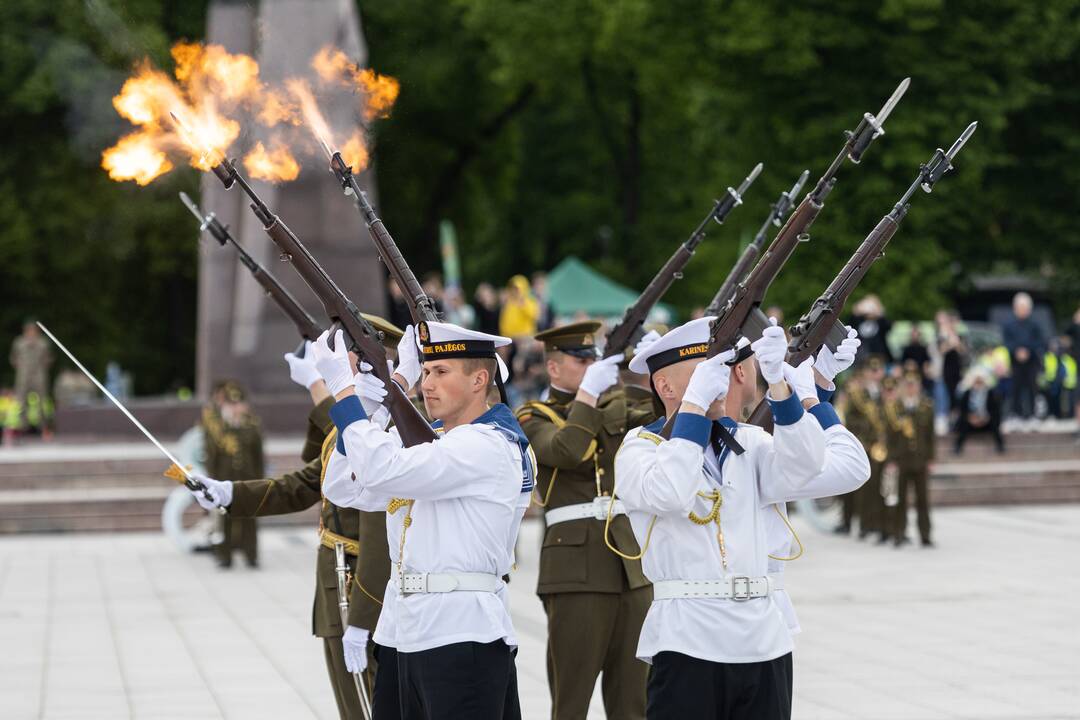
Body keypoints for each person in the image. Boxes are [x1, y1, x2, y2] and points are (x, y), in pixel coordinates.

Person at [613, 317, 868, 719]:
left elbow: (816, 466)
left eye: (725, 369)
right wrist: (694, 408)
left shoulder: (750, 442)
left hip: (762, 639)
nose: (725, 380)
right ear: (666, 387)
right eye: (705, 372)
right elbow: (672, 491)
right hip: (688, 638)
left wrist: (791, 392)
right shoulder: (640, 449)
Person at [314, 320, 533, 718]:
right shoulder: (435, 440)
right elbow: (343, 487)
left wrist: (346, 391)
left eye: (441, 372)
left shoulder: (489, 443)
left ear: (479, 380)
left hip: (461, 630)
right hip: (404, 627)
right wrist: (369, 402)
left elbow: (381, 468)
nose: (427, 384)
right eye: (425, 372)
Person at [191, 315, 402, 720]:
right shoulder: (353, 427)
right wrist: (229, 493)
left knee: (369, 704)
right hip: (338, 580)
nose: (332, 362)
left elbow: (379, 529)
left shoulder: (388, 429)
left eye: (342, 355)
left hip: (360, 584)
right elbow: (304, 482)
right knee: (353, 702)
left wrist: (360, 618)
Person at [516, 322, 656, 719]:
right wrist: (590, 394)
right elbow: (568, 450)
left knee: (635, 701)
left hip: (629, 566)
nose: (590, 365)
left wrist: (655, 370)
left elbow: (666, 422)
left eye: (593, 359)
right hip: (574, 571)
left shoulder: (617, 403)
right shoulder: (532, 415)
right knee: (572, 700)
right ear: (555, 368)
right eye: (581, 361)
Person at [201, 380, 264, 568]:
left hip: (248, 478)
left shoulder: (252, 426)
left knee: (249, 518)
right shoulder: (218, 428)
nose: (236, 408)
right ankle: (224, 555)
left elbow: (258, 456)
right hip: (223, 478)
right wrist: (211, 481)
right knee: (224, 518)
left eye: (239, 404)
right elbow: (211, 457)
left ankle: (251, 554)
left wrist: (261, 481)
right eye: (231, 404)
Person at [884, 372, 935, 547]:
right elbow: (889, 436)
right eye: (908, 384)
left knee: (923, 500)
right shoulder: (895, 407)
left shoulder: (926, 406)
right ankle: (898, 533)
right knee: (900, 499)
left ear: (919, 386)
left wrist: (931, 458)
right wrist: (890, 459)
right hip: (901, 459)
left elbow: (930, 435)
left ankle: (925, 535)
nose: (911, 388)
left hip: (920, 460)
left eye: (914, 384)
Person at [842, 358, 890, 541]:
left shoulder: (885, 393)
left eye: (879, 371)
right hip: (865, 444)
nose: (876, 375)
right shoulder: (857, 395)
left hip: (883, 446)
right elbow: (850, 419)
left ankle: (879, 524)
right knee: (865, 489)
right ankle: (864, 525)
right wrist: (864, 434)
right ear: (867, 373)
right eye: (872, 371)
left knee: (881, 488)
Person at [1001, 292, 1045, 420]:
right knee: (1015, 388)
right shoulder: (1009, 325)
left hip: (1032, 361)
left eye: (1025, 308)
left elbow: (1039, 341)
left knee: (1032, 387)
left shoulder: (1035, 325)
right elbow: (1006, 342)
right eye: (1020, 308)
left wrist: (1027, 350)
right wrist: (1017, 351)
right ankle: (1016, 414)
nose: (1022, 311)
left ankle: (1032, 415)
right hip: (1014, 361)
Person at [9, 320, 52, 433]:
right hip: (23, 374)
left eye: (33, 330)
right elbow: (13, 358)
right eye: (29, 330)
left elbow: (48, 358)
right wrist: (20, 366)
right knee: (21, 400)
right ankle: (23, 426)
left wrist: (43, 366)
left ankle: (43, 426)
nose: (31, 332)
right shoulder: (19, 342)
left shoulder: (43, 342)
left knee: (42, 400)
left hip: (39, 373)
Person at [954, 368, 1005, 454]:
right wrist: (971, 418)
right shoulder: (967, 393)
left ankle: (1000, 447)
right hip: (971, 422)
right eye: (976, 381)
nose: (978, 384)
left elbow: (995, 410)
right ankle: (958, 448)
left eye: (980, 381)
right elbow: (962, 410)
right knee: (963, 424)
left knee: (995, 424)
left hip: (986, 422)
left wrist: (986, 418)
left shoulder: (990, 393)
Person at [850, 295, 893, 365]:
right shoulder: (859, 320)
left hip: (879, 354)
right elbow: (851, 325)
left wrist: (878, 313)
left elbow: (888, 326)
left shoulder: (880, 321)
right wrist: (857, 311)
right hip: (861, 355)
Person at [499, 275, 541, 339]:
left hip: (525, 337)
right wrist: (504, 336)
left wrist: (524, 306)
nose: (515, 291)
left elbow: (535, 317)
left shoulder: (530, 301)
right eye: (513, 288)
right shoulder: (508, 303)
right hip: (510, 339)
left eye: (517, 289)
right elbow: (503, 323)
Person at [901, 326, 932, 390]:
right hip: (909, 375)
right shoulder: (907, 349)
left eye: (916, 334)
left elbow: (927, 363)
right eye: (913, 334)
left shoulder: (923, 349)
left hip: (921, 375)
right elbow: (903, 363)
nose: (914, 336)